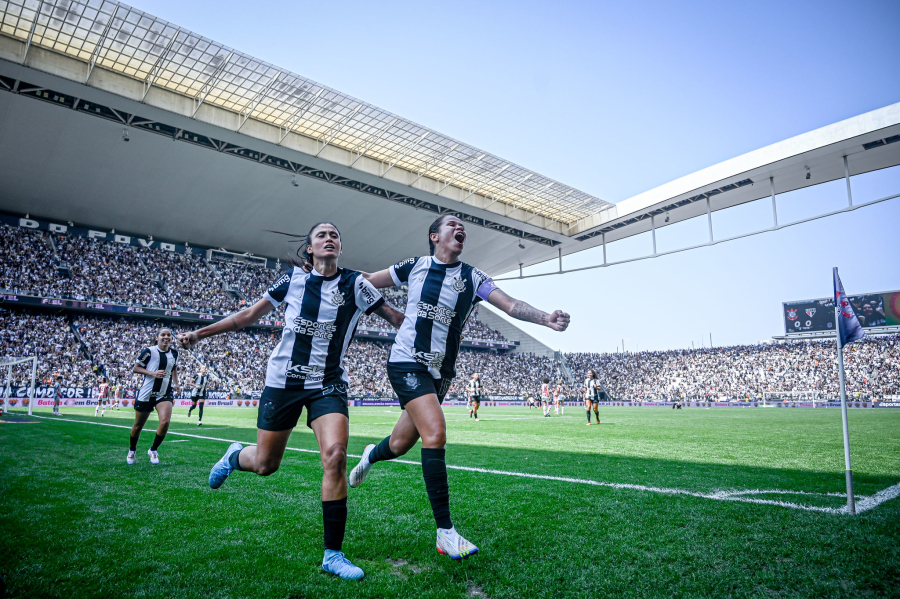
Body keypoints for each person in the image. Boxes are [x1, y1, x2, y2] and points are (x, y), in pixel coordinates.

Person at [178, 222, 403, 581]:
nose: (329, 239)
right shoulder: (292, 281)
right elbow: (246, 316)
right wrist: (199, 333)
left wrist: (433, 338)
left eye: (335, 236)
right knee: (266, 465)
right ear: (310, 248)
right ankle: (235, 456)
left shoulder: (357, 285)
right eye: (321, 235)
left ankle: (333, 554)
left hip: (328, 384)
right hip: (283, 383)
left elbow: (395, 319)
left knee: (335, 456)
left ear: (340, 248)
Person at [347, 214, 570, 562]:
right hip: (406, 361)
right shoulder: (415, 265)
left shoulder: (472, 277)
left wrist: (545, 318)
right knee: (435, 433)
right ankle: (445, 532)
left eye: (462, 225)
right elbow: (366, 282)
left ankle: (370, 456)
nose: (459, 227)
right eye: (452, 223)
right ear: (435, 236)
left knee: (401, 442)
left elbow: (510, 305)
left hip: (441, 373)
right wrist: (372, 302)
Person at [128, 328, 180, 466]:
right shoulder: (149, 351)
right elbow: (136, 368)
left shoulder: (174, 353)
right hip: (147, 393)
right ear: (157, 337)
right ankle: (132, 450)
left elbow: (174, 368)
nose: (166, 337)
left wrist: (177, 384)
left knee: (165, 422)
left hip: (164, 393)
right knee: (138, 426)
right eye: (163, 335)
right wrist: (153, 373)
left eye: (169, 335)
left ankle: (153, 450)